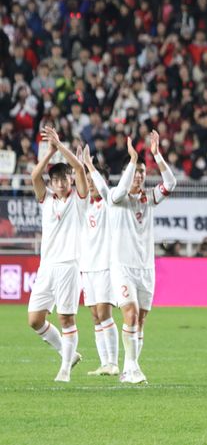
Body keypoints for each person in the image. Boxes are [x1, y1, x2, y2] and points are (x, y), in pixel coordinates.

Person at [110, 130, 177, 384]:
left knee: (141, 320)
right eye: (135, 171)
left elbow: (170, 184)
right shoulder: (117, 198)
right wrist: (133, 159)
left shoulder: (148, 198)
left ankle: (131, 368)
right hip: (123, 267)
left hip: (146, 268)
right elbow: (118, 192)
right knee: (130, 313)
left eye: (141, 172)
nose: (139, 175)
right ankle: (130, 367)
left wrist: (157, 155)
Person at [28, 126, 88, 382]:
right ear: (52, 184)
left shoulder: (79, 199)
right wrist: (50, 153)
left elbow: (81, 169)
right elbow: (34, 176)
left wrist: (60, 146)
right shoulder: (47, 200)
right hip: (47, 266)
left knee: (66, 317)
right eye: (57, 180)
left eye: (65, 179)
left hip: (69, 266)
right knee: (34, 320)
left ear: (70, 180)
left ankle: (64, 369)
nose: (61, 183)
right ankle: (68, 353)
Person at [80, 146, 119, 376]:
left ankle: (113, 362)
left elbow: (103, 190)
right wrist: (79, 164)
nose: (91, 184)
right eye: (88, 180)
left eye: (93, 179)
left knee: (105, 313)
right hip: (88, 267)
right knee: (95, 316)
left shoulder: (109, 203)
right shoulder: (84, 205)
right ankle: (104, 363)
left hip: (106, 265)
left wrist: (90, 165)